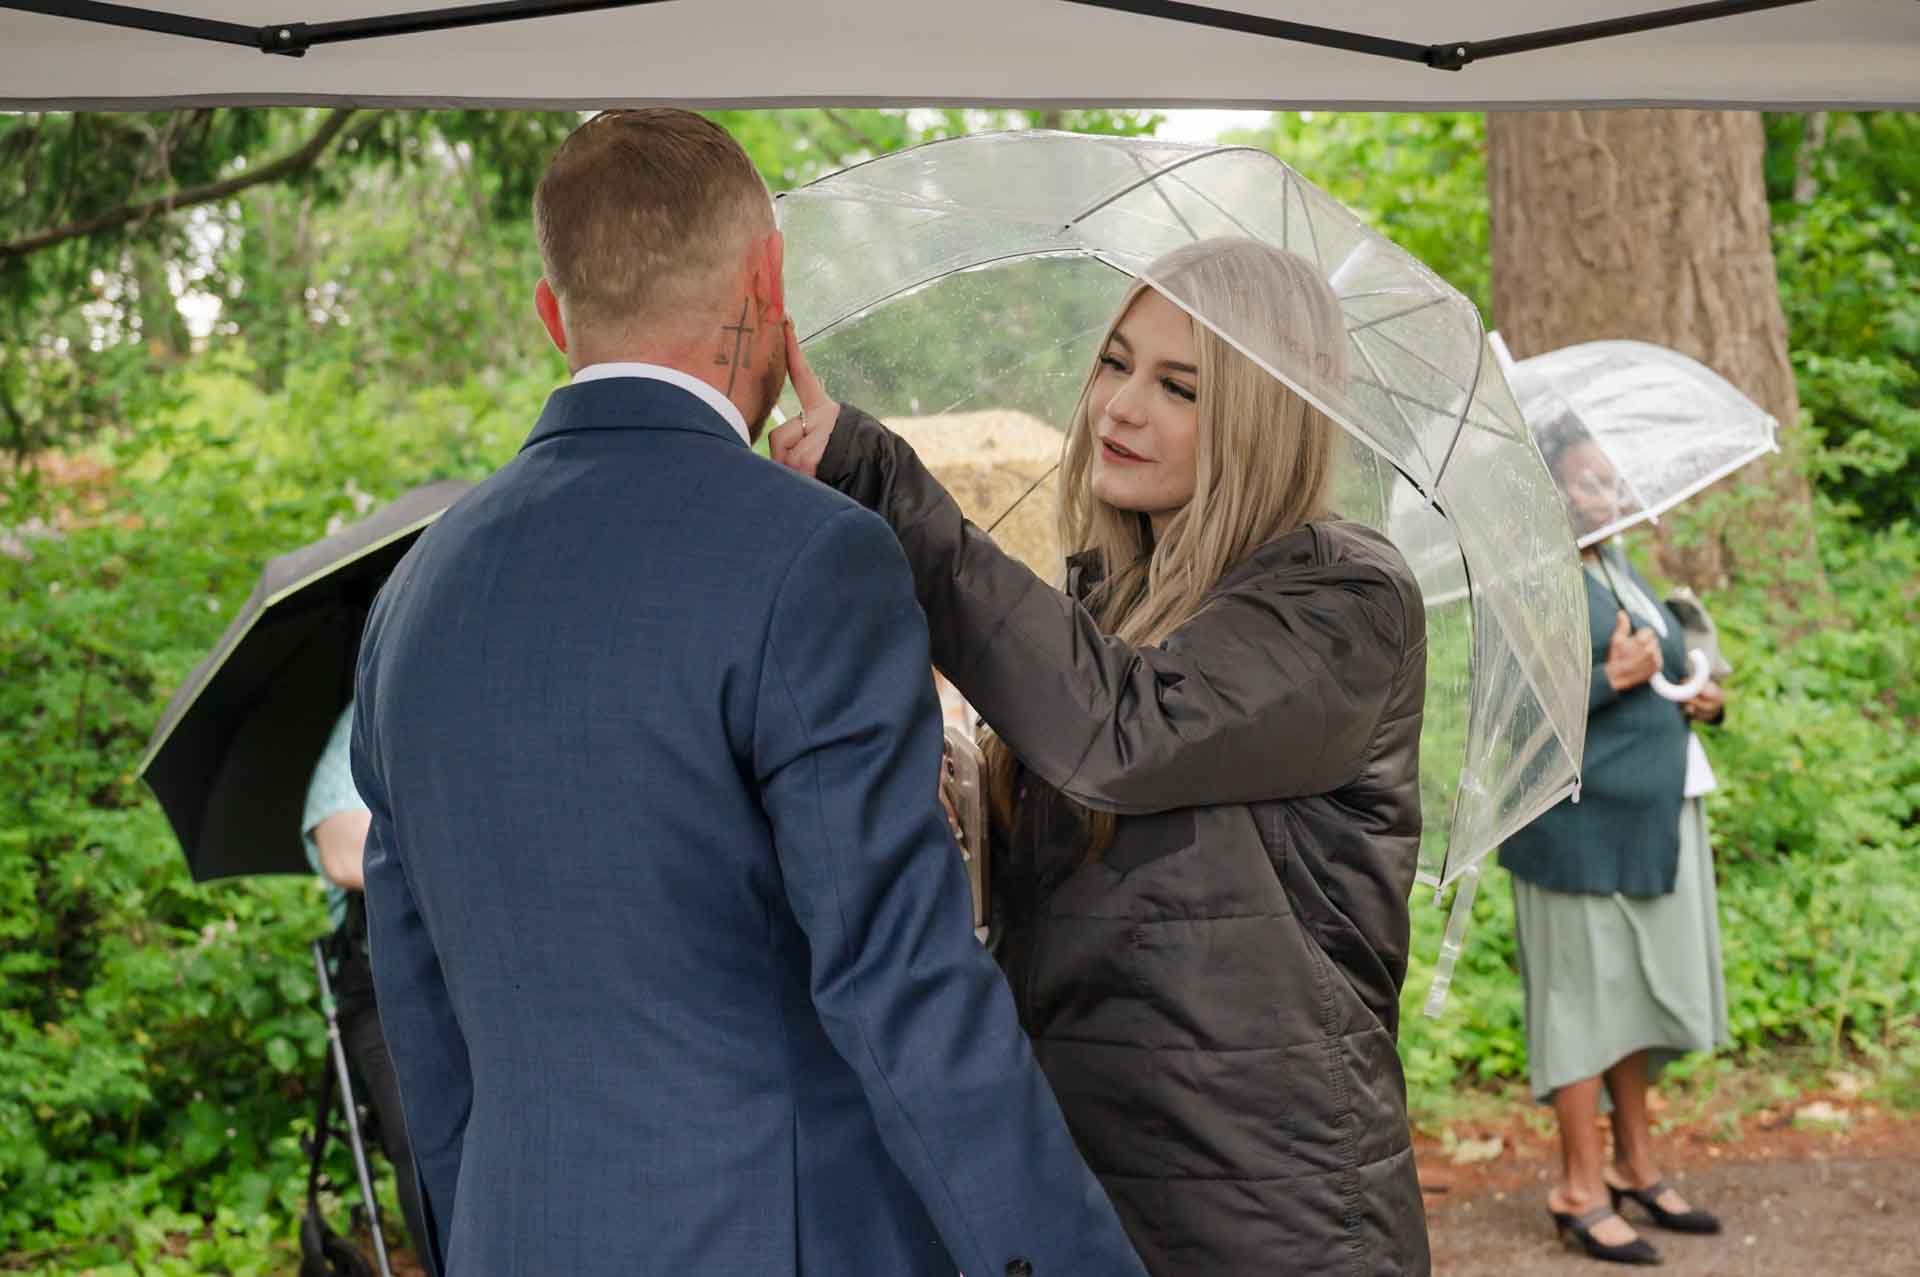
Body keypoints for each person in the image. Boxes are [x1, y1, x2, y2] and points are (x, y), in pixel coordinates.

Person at [349, 109, 1147, 1277]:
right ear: (769, 277)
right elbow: (901, 989)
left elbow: (419, 1014)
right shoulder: (814, 557)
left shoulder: (412, 596)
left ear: (552, 313)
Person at [774, 237, 1432, 1275]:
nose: (1119, 406)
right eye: (1115, 361)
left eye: (1180, 386)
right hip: (1093, 1193)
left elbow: (1121, 732)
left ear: (1264, 416)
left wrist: (885, 480)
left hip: (1269, 1214)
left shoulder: (1341, 603)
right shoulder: (1119, 609)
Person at [1498, 426, 1730, 1266]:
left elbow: (1666, 665)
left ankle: (1636, 1164)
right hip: (1572, 828)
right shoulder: (1530, 575)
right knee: (1580, 1010)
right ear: (1551, 491)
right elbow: (1516, 713)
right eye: (1590, 483)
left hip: (1648, 821)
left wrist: (1696, 695)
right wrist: (1611, 680)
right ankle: (1578, 1187)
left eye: (1613, 480)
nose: (1609, 495)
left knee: (1631, 999)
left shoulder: (1616, 563)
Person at [301, 700, 430, 1263]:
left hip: (494, 974)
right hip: (386, 977)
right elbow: (341, 848)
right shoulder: (369, 711)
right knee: (421, 1138)